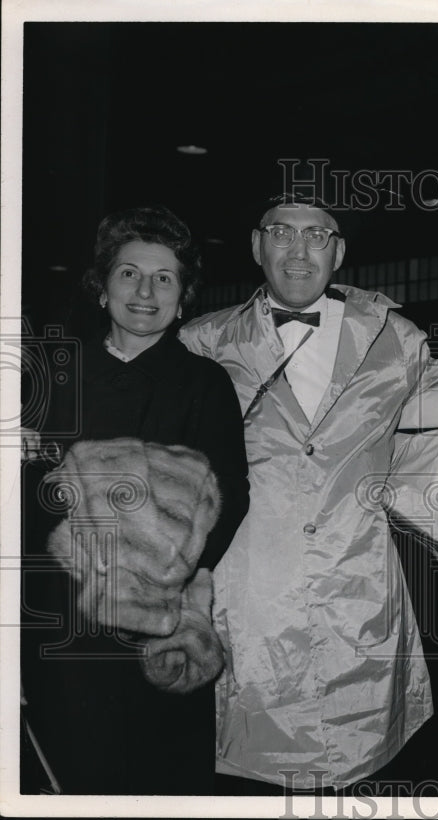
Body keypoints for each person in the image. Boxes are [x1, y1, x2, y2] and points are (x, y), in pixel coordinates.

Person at [178, 193, 438, 792]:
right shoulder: (202, 342)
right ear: (257, 245)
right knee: (249, 776)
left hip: (359, 587)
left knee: (367, 775)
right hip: (251, 595)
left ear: (339, 251)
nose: (299, 251)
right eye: (282, 233)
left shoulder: (398, 338)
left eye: (317, 235)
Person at [20, 205, 250, 795]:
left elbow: (231, 496)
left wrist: (161, 576)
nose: (145, 291)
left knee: (159, 779)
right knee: (66, 771)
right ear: (102, 289)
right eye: (128, 274)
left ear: (184, 297)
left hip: (160, 621)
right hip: (59, 618)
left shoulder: (205, 384)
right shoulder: (52, 376)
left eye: (164, 278)